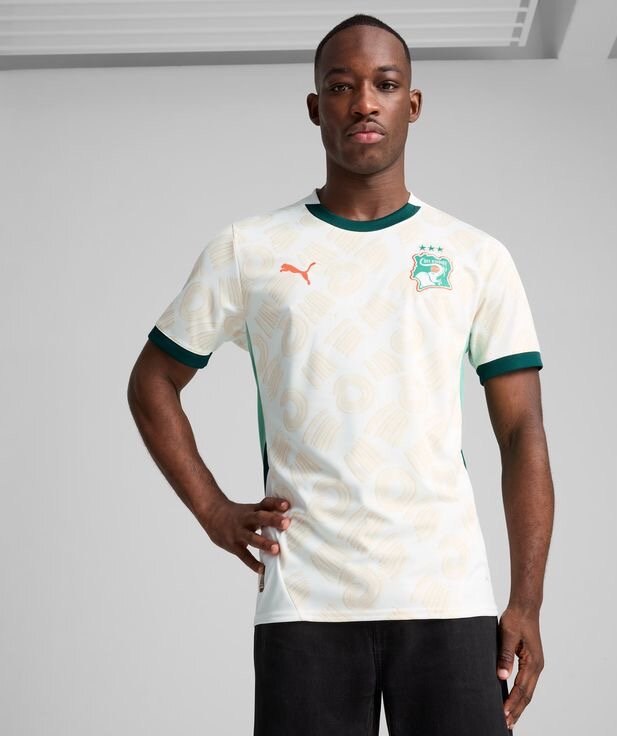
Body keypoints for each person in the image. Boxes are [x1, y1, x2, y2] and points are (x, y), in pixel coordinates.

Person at [127, 13, 554, 736]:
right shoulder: (249, 250)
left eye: (384, 84)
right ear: (314, 107)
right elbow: (151, 382)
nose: (363, 103)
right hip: (307, 601)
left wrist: (527, 602)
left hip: (446, 593)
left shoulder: (476, 256)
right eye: (340, 86)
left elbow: (522, 433)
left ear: (412, 104)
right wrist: (213, 511)